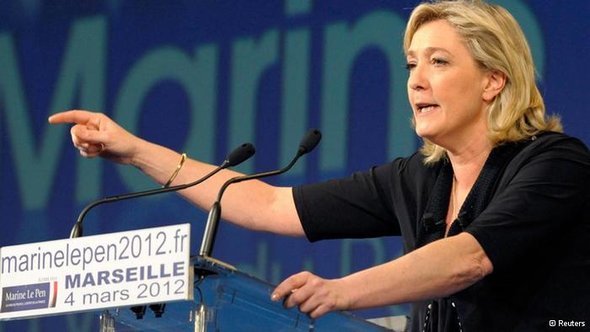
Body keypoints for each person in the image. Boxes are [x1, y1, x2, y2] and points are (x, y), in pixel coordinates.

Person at [49, 0, 590, 331]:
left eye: (439, 62)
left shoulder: (554, 163)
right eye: (411, 64)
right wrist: (132, 148)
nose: (415, 79)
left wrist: (341, 291)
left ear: (494, 79)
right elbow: (265, 203)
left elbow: (468, 258)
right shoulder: (418, 178)